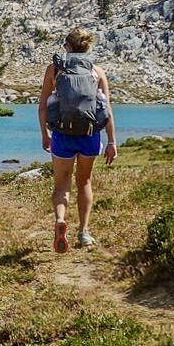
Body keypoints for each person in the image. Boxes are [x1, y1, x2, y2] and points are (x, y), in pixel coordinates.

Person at [38, 27, 118, 253]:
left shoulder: (54, 70)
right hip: (90, 135)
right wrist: (111, 142)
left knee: (62, 183)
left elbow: (43, 106)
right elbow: (107, 109)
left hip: (62, 135)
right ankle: (84, 232)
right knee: (84, 181)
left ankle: (60, 220)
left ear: (68, 47)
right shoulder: (97, 71)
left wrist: (45, 135)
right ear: (87, 47)